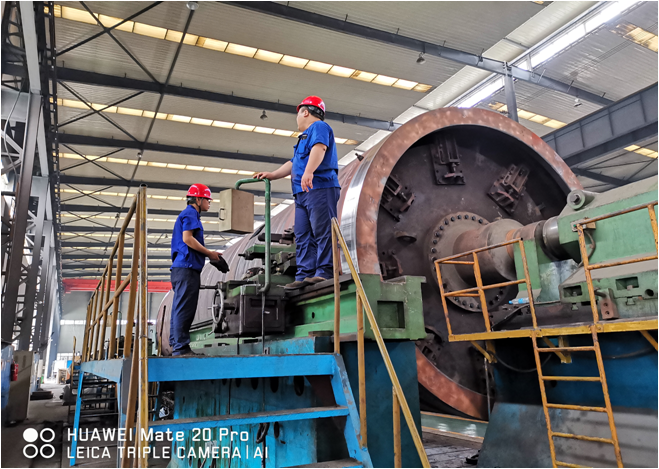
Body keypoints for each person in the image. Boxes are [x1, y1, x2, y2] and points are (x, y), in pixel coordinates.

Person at [255, 96, 340, 289]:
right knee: (303, 235)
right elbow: (293, 163)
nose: (297, 119)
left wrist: (309, 171)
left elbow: (320, 148)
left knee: (322, 231)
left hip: (320, 187)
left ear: (305, 112)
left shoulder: (319, 127)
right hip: (302, 193)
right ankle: (304, 274)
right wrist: (273, 175)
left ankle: (324, 271)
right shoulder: (303, 138)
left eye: (298, 114)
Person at [170, 184, 223, 356]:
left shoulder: (187, 214)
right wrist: (209, 253)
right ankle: (181, 348)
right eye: (207, 200)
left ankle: (176, 345)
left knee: (179, 308)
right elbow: (187, 239)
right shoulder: (191, 213)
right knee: (185, 309)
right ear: (198, 199)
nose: (209, 203)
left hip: (181, 268)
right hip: (187, 269)